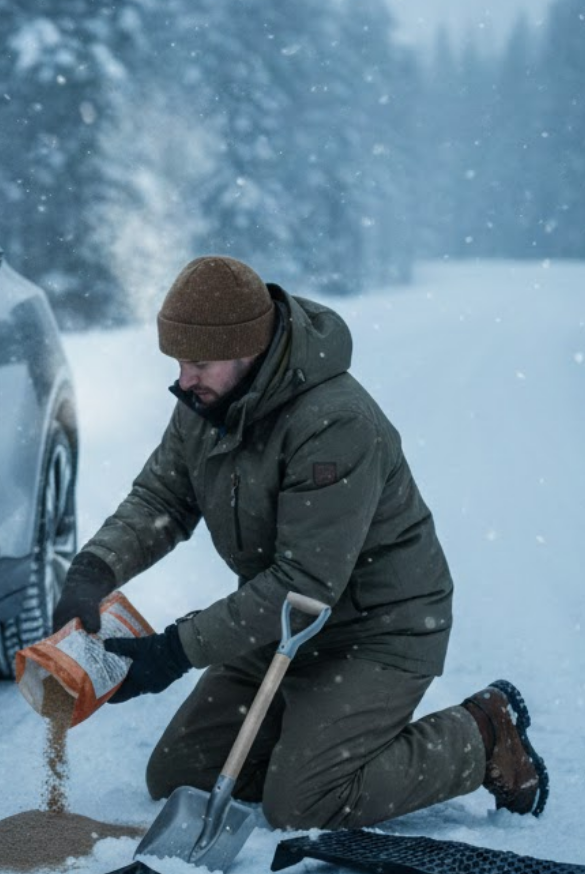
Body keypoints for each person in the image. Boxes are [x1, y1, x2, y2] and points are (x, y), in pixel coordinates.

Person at [53, 255, 548, 830]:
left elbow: (305, 585)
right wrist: (95, 567)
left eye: (199, 362)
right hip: (283, 628)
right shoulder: (206, 403)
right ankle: (311, 738)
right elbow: (163, 499)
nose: (185, 380)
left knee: (304, 804)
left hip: (374, 631)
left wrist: (173, 651)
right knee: (179, 774)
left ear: (249, 349)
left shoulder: (334, 422)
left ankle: (481, 735)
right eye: (179, 362)